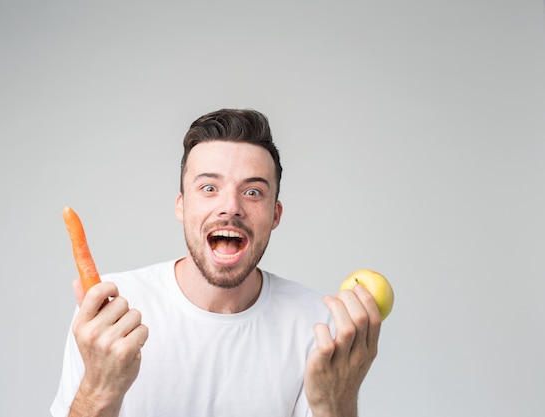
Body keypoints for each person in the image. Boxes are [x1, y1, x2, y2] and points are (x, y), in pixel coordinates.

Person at [51, 109, 382, 417]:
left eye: (252, 192)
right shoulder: (109, 312)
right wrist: (97, 389)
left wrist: (337, 406)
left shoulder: (319, 325)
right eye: (209, 187)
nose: (230, 207)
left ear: (275, 215)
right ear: (181, 206)